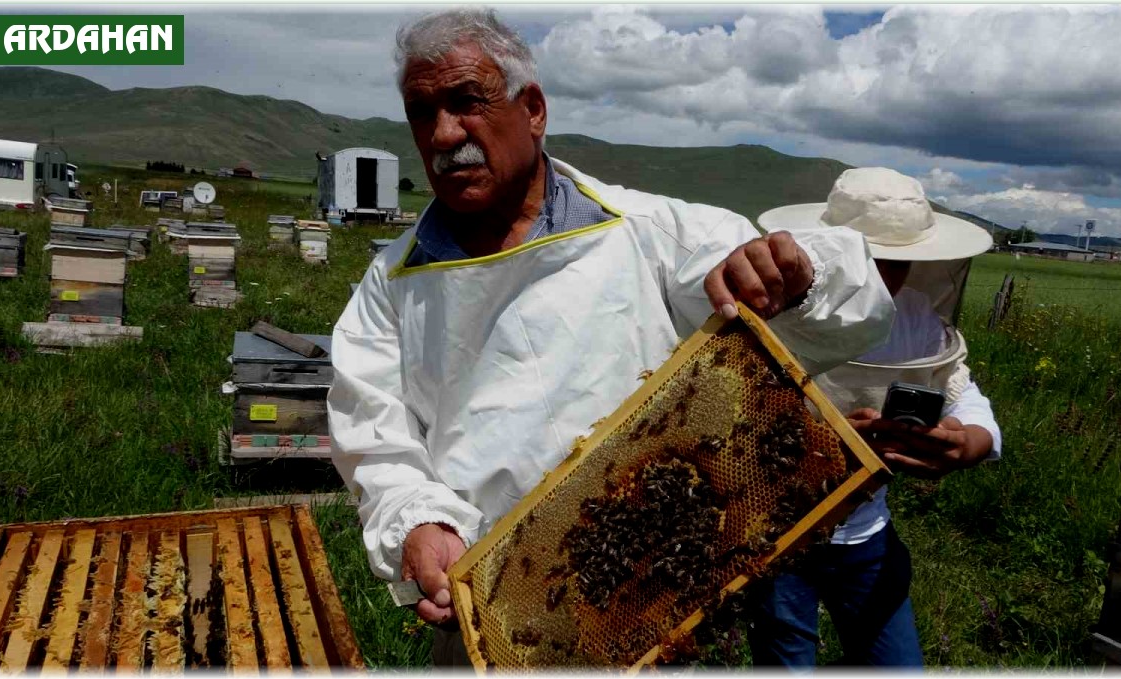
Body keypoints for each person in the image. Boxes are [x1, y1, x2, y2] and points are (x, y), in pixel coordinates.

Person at [327, 9, 895, 665]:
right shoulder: (389, 282)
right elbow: (374, 435)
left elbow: (852, 304)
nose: (443, 133)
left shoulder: (651, 232)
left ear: (532, 108)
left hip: (651, 619)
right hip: (488, 621)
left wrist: (796, 273)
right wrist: (419, 522)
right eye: (421, 112)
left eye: (465, 102)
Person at [750, 167, 1003, 667]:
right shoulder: (777, 306)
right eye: (872, 259)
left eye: (901, 261)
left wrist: (969, 441)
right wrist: (819, 441)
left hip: (867, 536)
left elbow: (961, 391)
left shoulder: (918, 318)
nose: (886, 275)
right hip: (777, 534)